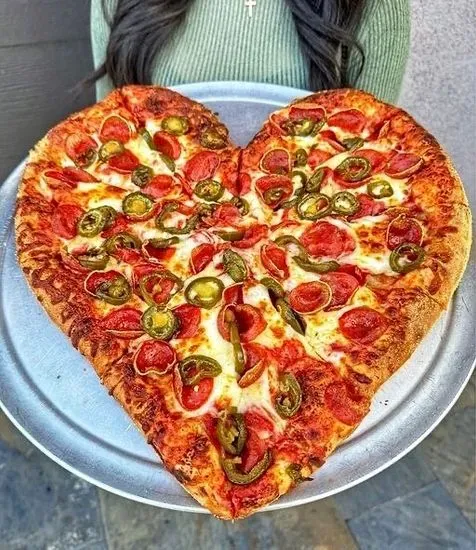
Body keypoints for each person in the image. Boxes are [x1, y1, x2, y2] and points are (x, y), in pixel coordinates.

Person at [90, 0, 410, 103]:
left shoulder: (375, 4)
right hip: (150, 237)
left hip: (311, 236)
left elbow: (371, 157)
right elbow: (109, 139)